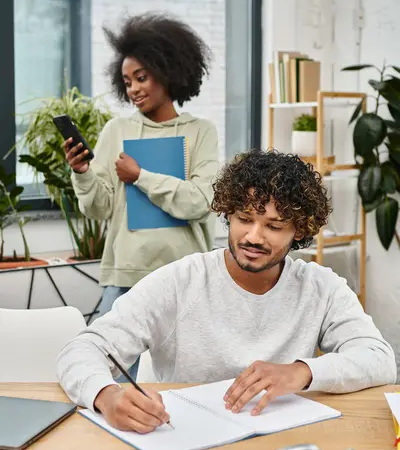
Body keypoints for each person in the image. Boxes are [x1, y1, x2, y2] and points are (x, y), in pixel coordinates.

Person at [57, 149, 396, 433]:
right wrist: (105, 394)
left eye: (274, 226)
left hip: (282, 440)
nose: (253, 237)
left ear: (300, 230)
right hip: (182, 438)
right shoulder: (180, 281)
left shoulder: (320, 287)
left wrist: (302, 371)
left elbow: (379, 360)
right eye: (244, 218)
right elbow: (84, 349)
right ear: (227, 215)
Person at [63, 13, 219, 378]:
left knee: (190, 378)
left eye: (142, 77)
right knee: (106, 374)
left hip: (185, 278)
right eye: (127, 81)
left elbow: (199, 201)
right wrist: (82, 172)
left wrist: (141, 176)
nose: (132, 88)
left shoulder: (200, 133)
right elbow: (98, 208)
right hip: (124, 277)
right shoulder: (117, 130)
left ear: (169, 71)